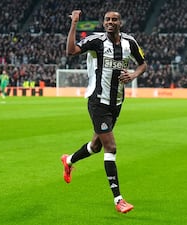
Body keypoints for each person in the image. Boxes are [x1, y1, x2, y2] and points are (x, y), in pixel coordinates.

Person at [61, 10, 147, 213]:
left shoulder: (129, 43)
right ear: (103, 23)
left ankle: (69, 160)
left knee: (96, 146)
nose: (110, 22)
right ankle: (118, 199)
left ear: (120, 22)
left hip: (116, 102)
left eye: (114, 19)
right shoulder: (96, 41)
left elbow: (143, 64)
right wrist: (74, 24)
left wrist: (133, 74)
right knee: (111, 147)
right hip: (98, 101)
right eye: (107, 19)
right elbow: (71, 51)